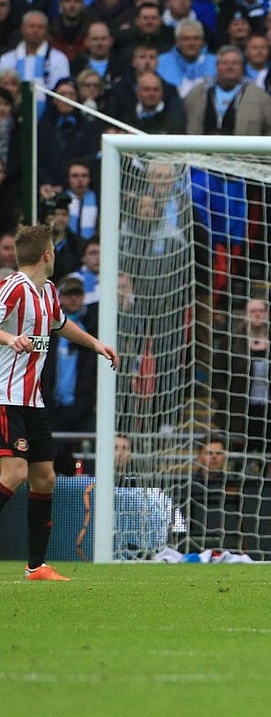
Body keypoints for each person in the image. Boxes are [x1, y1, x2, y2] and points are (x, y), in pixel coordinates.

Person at [0, 225, 120, 581]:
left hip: (32, 400)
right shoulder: (13, 287)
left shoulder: (48, 291)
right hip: (5, 396)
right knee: (15, 472)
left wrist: (96, 344)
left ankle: (36, 566)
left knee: (45, 478)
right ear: (47, 254)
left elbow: (60, 324)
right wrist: (8, 338)